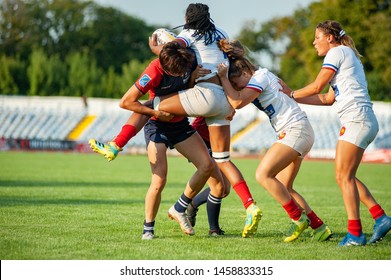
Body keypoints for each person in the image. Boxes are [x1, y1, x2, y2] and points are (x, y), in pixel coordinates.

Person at [144, 3, 262, 238]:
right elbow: (233, 56)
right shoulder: (221, 34)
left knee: (149, 105)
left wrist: (156, 48)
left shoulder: (187, 34)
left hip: (205, 95)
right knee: (222, 160)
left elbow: (171, 55)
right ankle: (186, 206)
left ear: (188, 18)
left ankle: (119, 141)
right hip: (224, 102)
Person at [93, 43, 226, 240]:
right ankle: (148, 228)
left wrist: (193, 78)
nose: (180, 73)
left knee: (207, 165)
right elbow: (126, 102)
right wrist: (156, 113)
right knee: (159, 180)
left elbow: (184, 88)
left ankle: (180, 207)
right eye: (177, 72)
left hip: (180, 126)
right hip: (157, 126)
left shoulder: (186, 59)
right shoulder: (154, 70)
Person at [279, 20, 391, 246]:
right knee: (345, 176)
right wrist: (294, 97)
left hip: (356, 119)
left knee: (343, 176)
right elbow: (328, 98)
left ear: (329, 38)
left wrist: (290, 94)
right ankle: (380, 218)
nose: (313, 42)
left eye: (317, 37)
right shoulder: (344, 53)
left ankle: (356, 234)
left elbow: (317, 86)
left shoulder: (336, 52)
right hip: (362, 119)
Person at [216, 38, 333, 242]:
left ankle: (297, 219)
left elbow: (237, 101)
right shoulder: (264, 75)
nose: (236, 87)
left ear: (244, 72)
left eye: (237, 83)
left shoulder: (259, 78)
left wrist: (224, 78)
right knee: (285, 186)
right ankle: (319, 227)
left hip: (294, 130)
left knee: (263, 174)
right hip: (300, 129)